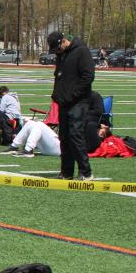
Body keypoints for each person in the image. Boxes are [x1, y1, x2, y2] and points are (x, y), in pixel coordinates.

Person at [47, 31, 95, 180]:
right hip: (64, 102)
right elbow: (59, 77)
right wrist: (56, 95)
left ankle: (85, 172)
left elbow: (88, 76)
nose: (56, 52)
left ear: (63, 41)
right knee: (64, 137)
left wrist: (72, 95)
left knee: (75, 135)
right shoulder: (61, 55)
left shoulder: (82, 51)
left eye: (57, 48)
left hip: (78, 102)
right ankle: (66, 172)